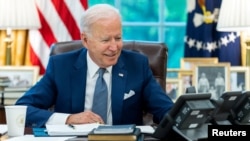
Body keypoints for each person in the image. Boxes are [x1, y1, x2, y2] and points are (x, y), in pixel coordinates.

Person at [15, 4, 174, 128]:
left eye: (118, 38)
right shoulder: (61, 66)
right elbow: (21, 110)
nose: (114, 47)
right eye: (105, 40)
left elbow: (166, 110)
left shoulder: (137, 65)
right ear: (85, 40)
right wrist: (69, 119)